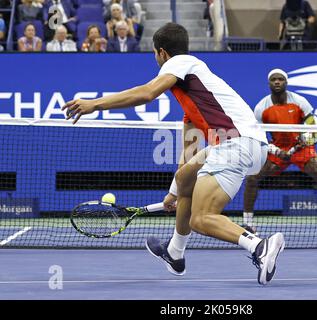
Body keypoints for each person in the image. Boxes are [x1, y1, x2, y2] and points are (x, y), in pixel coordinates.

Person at [62, 22, 285, 286]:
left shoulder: (181, 63)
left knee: (201, 218)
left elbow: (146, 93)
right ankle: (175, 253)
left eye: (155, 56)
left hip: (235, 143)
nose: (156, 62)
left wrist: (94, 104)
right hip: (247, 146)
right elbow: (190, 151)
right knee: (185, 177)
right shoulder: (193, 95)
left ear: (162, 53)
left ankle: (259, 246)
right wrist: (174, 192)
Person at [242, 69, 317, 239]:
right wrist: (276, 151)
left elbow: (313, 125)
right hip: (277, 149)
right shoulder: (261, 108)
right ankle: (248, 225)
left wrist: (306, 138)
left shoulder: (300, 101)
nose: (277, 82)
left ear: (286, 82)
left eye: (280, 79)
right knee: (252, 179)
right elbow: (258, 138)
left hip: (301, 147)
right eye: (274, 80)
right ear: (269, 83)